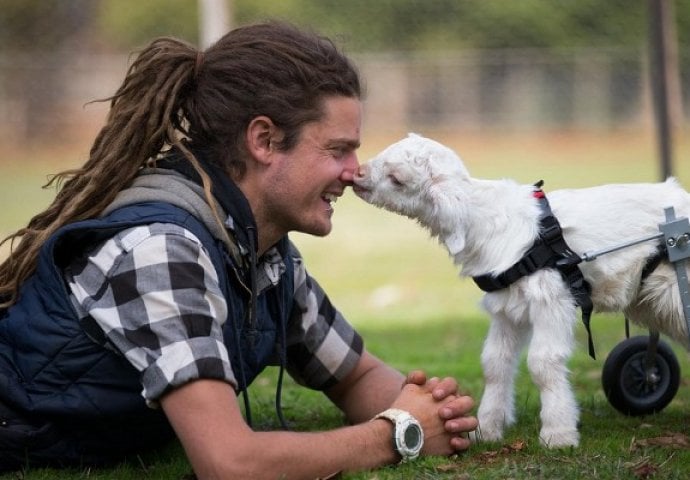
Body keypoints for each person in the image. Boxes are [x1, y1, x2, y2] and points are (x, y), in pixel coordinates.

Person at [0, 21, 478, 479]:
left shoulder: (262, 251)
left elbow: (353, 376)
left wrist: (432, 411)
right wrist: (398, 434)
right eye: (338, 150)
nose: (354, 172)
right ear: (264, 140)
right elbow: (230, 464)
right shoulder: (160, 250)